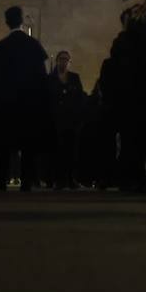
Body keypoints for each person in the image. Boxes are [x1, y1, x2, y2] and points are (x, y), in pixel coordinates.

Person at [0, 6, 49, 192]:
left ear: (7, 22)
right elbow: (41, 78)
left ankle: (1, 180)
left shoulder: (1, 47)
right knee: (28, 144)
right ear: (22, 21)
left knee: (4, 144)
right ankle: (26, 181)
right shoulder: (33, 45)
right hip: (28, 105)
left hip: (6, 104)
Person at [47, 51, 86, 189]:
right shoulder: (50, 79)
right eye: (61, 59)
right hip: (56, 120)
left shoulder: (75, 78)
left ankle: (71, 178)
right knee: (57, 151)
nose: (63, 62)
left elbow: (80, 98)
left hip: (71, 120)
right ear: (57, 61)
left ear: (69, 62)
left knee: (72, 151)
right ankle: (59, 179)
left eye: (66, 60)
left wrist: (78, 117)